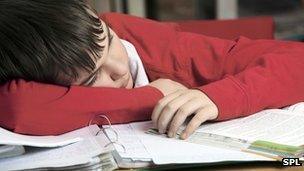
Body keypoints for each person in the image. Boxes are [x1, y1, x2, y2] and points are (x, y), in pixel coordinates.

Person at [1, 0, 304, 138]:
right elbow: (16, 107)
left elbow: (298, 59)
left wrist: (217, 97)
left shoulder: (159, 48)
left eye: (109, 40)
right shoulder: (31, 82)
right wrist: (153, 97)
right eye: (94, 77)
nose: (120, 68)